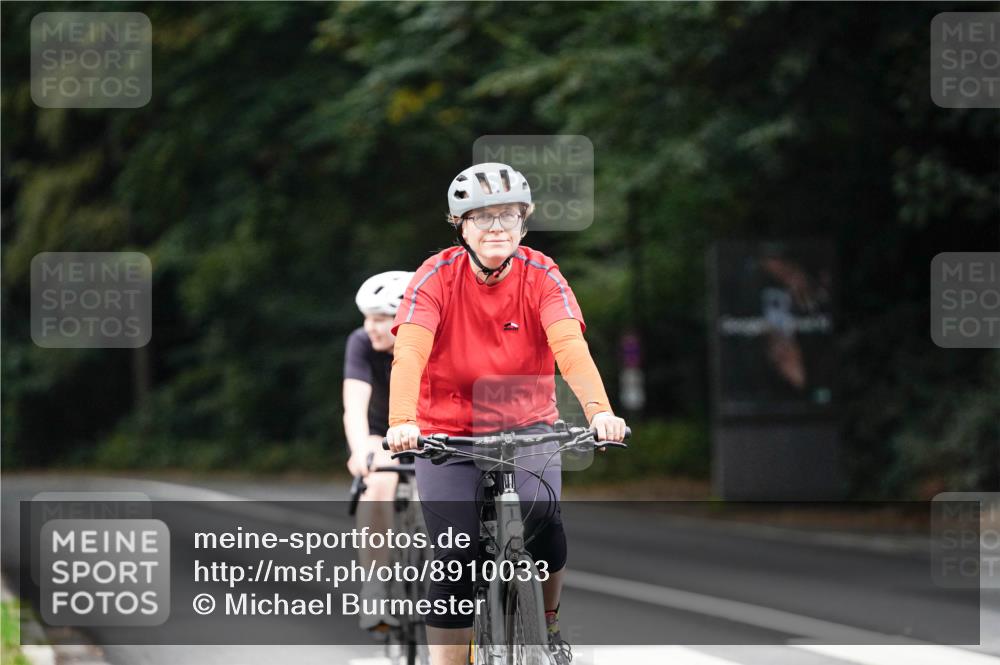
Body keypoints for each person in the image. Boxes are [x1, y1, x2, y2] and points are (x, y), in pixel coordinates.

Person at [385, 162, 627, 665]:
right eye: (483, 217)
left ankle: (550, 623)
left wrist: (600, 412)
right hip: (448, 436)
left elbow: (569, 347)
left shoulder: (542, 274)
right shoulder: (435, 277)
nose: (497, 227)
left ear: (524, 222)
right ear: (461, 226)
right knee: (455, 555)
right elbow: (409, 352)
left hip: (527, 427)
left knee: (544, 517)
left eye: (509, 216)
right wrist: (402, 421)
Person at [344, 270, 414, 631]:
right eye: (367, 318)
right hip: (380, 432)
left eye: (381, 318)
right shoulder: (360, 342)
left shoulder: (429, 339)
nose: (370, 327)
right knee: (380, 481)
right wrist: (360, 453)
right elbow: (354, 406)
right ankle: (375, 583)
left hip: (428, 430)